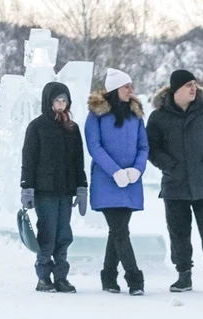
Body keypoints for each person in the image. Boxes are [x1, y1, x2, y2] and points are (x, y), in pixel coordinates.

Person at [146, 69, 203, 295]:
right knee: (178, 233)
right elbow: (151, 148)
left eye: (194, 84)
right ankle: (183, 276)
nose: (193, 88)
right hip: (174, 186)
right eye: (188, 85)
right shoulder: (158, 117)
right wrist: (169, 165)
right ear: (176, 89)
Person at [20, 81, 88, 293]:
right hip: (44, 190)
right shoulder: (37, 126)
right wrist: (27, 187)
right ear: (48, 102)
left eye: (64, 100)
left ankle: (61, 277)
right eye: (57, 100)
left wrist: (81, 187)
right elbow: (29, 159)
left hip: (65, 190)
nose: (61, 104)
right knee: (47, 233)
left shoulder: (72, 127)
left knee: (64, 234)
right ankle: (43, 276)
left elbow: (78, 160)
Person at [86, 68, 148, 296]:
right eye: (126, 86)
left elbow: (143, 146)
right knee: (120, 230)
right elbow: (94, 146)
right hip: (106, 181)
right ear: (114, 89)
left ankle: (109, 277)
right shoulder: (96, 115)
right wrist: (115, 172)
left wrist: (137, 170)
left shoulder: (136, 115)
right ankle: (135, 278)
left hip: (131, 181)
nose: (131, 90)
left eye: (131, 86)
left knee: (117, 231)